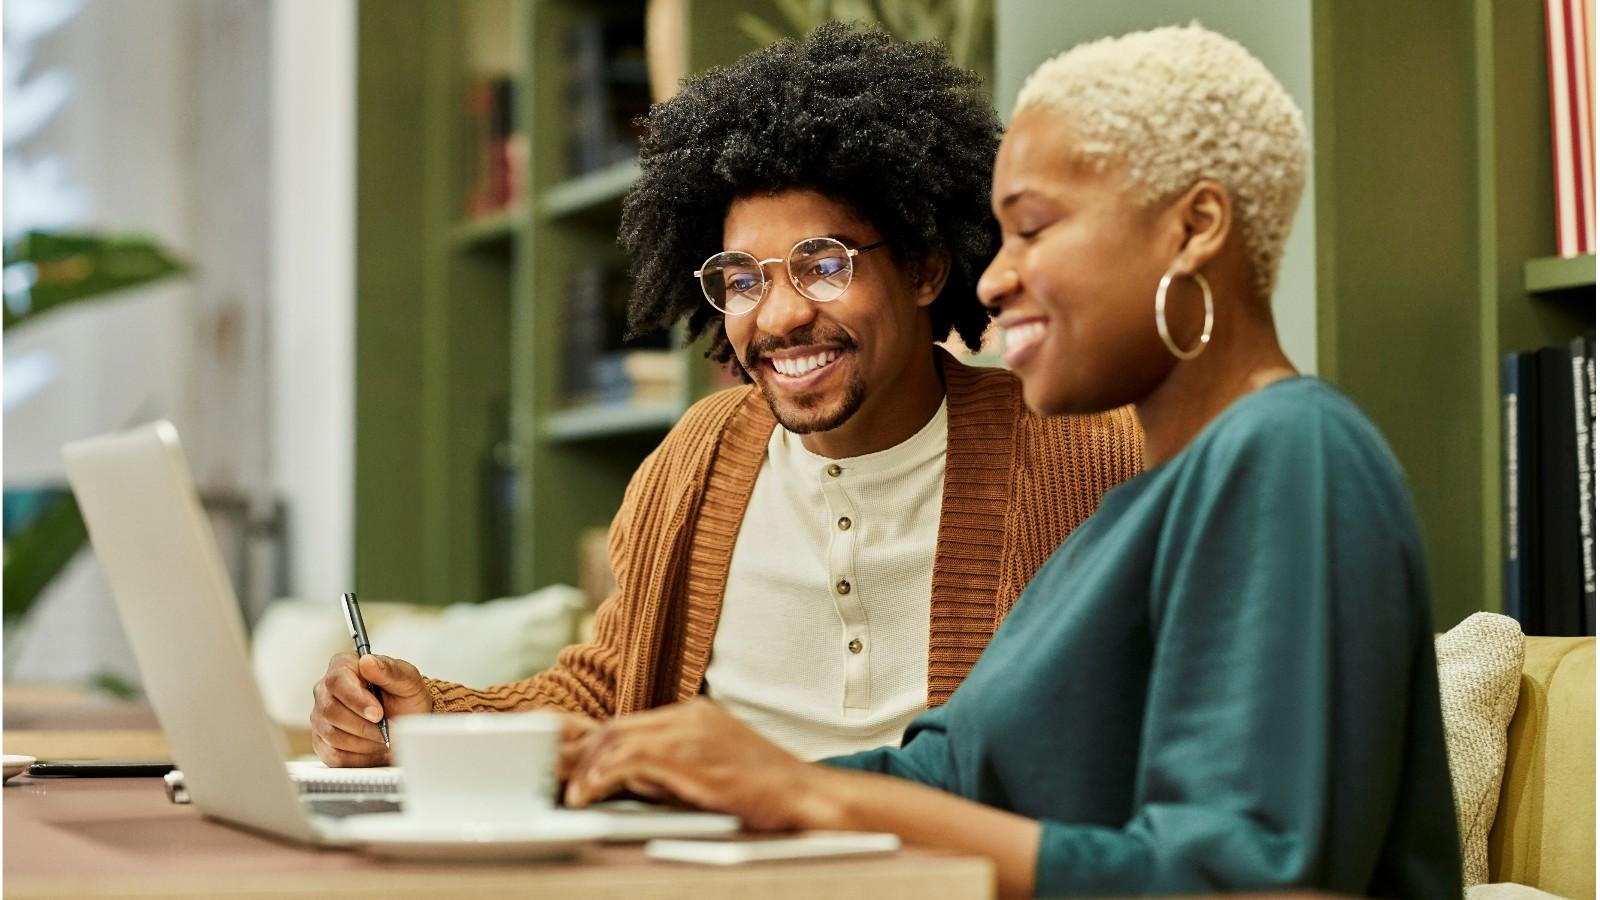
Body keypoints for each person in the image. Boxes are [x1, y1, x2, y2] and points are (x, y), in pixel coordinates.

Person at [560, 23, 1463, 898]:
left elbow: (1245, 881)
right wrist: (679, 773)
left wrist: (807, 793)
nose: (993, 277)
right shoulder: (1127, 519)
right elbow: (947, 779)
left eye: (1034, 228)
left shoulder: (1289, 450)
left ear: (1193, 228)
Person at [310, 24, 1143, 768]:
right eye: (742, 279)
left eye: (824, 265)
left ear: (925, 269)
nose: (778, 317)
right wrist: (429, 718)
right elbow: (610, 691)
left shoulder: (1086, 457)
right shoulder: (697, 457)